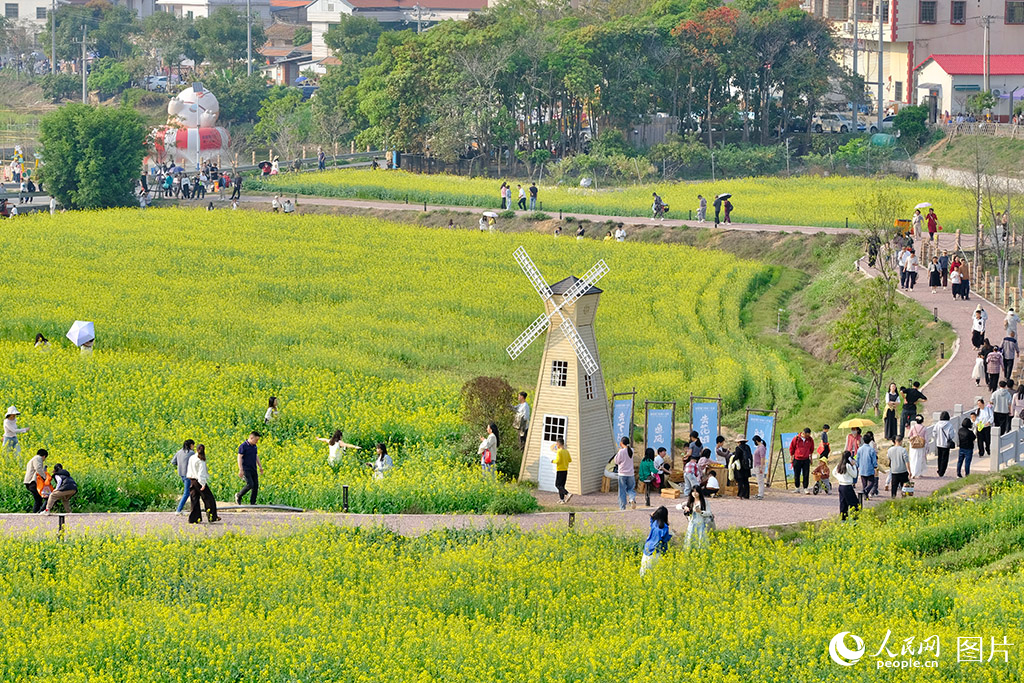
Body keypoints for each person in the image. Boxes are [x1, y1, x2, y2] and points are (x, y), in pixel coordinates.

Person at [187, 444, 219, 524]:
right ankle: (212, 517)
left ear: (196, 449)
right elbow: (201, 474)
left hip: (192, 480)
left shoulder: (192, 457)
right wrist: (203, 484)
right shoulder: (201, 460)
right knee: (209, 499)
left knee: (194, 500)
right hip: (198, 481)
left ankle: (194, 518)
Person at [640, 505, 672, 575]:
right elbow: (665, 539)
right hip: (657, 550)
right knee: (655, 571)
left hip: (647, 548)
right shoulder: (665, 527)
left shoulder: (654, 523)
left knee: (644, 570)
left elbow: (651, 520)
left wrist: (652, 516)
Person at [235, 431, 263, 505]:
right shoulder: (243, 446)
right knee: (250, 484)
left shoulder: (254, 446)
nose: (257, 442)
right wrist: (241, 469)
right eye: (256, 440)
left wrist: (260, 466)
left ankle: (253, 502)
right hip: (246, 468)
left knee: (255, 486)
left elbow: (256, 456)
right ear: (251, 437)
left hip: (253, 468)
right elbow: (239, 457)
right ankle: (239, 495)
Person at [170, 439, 196, 515]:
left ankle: (193, 509)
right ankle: (178, 510)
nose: (194, 447)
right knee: (187, 493)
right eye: (193, 445)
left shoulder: (179, 452)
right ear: (191, 445)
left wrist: (181, 464)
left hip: (181, 474)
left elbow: (173, 462)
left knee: (191, 491)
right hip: (188, 475)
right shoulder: (191, 453)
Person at [833, 450, 860, 520]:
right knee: (854, 503)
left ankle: (843, 519)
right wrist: (854, 466)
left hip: (841, 486)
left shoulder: (839, 464)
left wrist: (839, 478)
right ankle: (855, 519)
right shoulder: (848, 466)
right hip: (847, 486)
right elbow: (854, 475)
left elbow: (833, 472)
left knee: (843, 504)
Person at [789, 428, 814, 494]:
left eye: (809, 435)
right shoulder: (796, 438)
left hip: (806, 459)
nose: (808, 436)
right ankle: (797, 488)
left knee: (806, 474)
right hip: (797, 459)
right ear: (804, 433)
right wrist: (791, 457)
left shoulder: (810, 440)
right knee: (797, 474)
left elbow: (811, 449)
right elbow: (792, 448)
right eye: (807, 435)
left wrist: (811, 458)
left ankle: (805, 488)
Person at [614, 437, 637, 510]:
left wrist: (618, 451)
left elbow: (616, 461)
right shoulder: (632, 450)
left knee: (622, 491)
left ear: (621, 443)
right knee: (631, 489)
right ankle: (632, 499)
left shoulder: (621, 451)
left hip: (622, 474)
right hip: (631, 474)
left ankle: (622, 506)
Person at [23, 448, 48, 513]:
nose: (44, 460)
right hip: (32, 482)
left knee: (38, 499)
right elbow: (38, 468)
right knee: (45, 497)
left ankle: (35, 513)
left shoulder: (32, 459)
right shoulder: (38, 458)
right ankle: (40, 512)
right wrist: (45, 477)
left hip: (28, 482)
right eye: (45, 458)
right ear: (44, 456)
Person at [856, 432, 879, 499]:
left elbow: (857, 458)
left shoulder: (860, 449)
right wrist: (875, 466)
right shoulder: (871, 450)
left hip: (862, 468)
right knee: (872, 482)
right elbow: (874, 460)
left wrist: (857, 465)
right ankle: (865, 491)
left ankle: (865, 496)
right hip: (869, 468)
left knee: (864, 483)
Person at [934, 410, 956, 477]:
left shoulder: (937, 424)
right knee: (945, 458)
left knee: (940, 457)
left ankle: (939, 469)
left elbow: (934, 433)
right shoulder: (949, 425)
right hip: (946, 444)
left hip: (939, 443)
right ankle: (942, 471)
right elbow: (951, 435)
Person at [552, 438, 573, 504]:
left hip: (560, 470)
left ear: (558, 444)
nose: (556, 445)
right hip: (565, 470)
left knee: (557, 485)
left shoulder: (559, 451)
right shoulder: (566, 451)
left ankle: (567, 493)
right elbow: (570, 460)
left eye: (556, 444)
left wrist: (553, 461)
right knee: (562, 486)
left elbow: (557, 461)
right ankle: (562, 499)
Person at [751, 435, 767, 499]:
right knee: (759, 480)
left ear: (756, 441)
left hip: (759, 466)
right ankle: (759, 493)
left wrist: (761, 467)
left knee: (760, 480)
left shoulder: (761, 448)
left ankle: (761, 494)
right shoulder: (759, 447)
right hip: (757, 465)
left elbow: (762, 458)